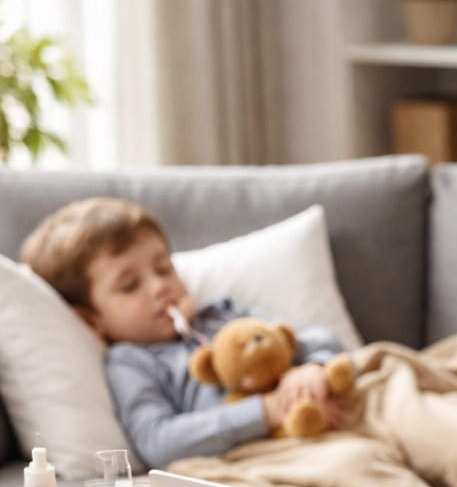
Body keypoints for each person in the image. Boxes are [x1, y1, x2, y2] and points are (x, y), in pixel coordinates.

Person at [22, 198, 346, 469]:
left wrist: (312, 368)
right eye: (129, 286)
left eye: (164, 268)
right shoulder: (130, 363)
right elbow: (158, 442)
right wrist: (268, 410)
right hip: (265, 457)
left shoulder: (220, 313)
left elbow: (314, 336)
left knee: (387, 368)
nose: (160, 286)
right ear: (91, 321)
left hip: (332, 418)